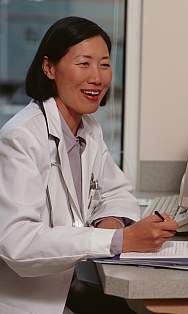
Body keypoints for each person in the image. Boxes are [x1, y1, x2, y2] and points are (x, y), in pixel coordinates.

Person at [0, 16, 178, 314]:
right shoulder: (21, 137)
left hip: (69, 288)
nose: (97, 77)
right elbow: (18, 243)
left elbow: (117, 192)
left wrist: (111, 222)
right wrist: (116, 240)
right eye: (84, 63)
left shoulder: (89, 129)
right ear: (49, 68)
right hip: (28, 303)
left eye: (105, 64)